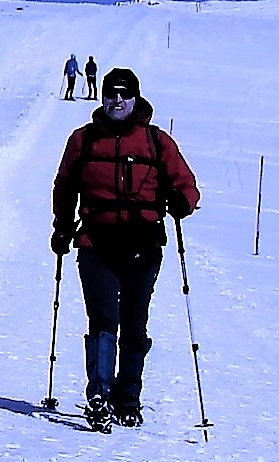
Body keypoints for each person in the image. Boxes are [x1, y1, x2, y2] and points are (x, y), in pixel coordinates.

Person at [50, 66, 200, 430]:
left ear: (135, 98)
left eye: (124, 94)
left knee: (134, 323)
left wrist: (182, 200)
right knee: (103, 319)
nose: (117, 100)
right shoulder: (83, 140)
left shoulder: (156, 142)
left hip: (143, 244)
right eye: (111, 94)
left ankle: (128, 398)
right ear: (102, 97)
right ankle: (100, 395)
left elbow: (187, 184)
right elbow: (65, 186)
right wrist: (62, 227)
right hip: (95, 242)